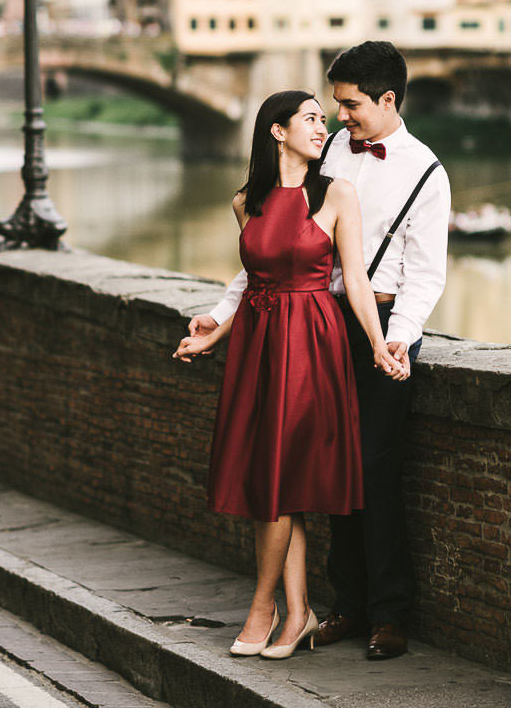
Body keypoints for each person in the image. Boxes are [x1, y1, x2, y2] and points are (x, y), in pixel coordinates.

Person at [188, 42, 451, 660]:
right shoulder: (328, 151)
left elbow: (427, 273)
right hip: (313, 326)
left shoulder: (426, 170)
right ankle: (345, 606)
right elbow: (268, 254)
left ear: (387, 99)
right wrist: (223, 317)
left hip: (381, 321)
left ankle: (389, 613)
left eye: (350, 104)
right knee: (326, 469)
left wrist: (397, 336)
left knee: (377, 470)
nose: (339, 117)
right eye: (331, 105)